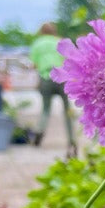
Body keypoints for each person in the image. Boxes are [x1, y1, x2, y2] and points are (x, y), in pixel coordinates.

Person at [29, 23, 77, 157]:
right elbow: (69, 61)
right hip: (61, 77)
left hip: (45, 76)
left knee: (45, 109)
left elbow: (33, 64)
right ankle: (72, 139)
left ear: (41, 31)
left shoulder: (37, 43)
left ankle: (39, 132)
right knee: (67, 110)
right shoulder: (60, 41)